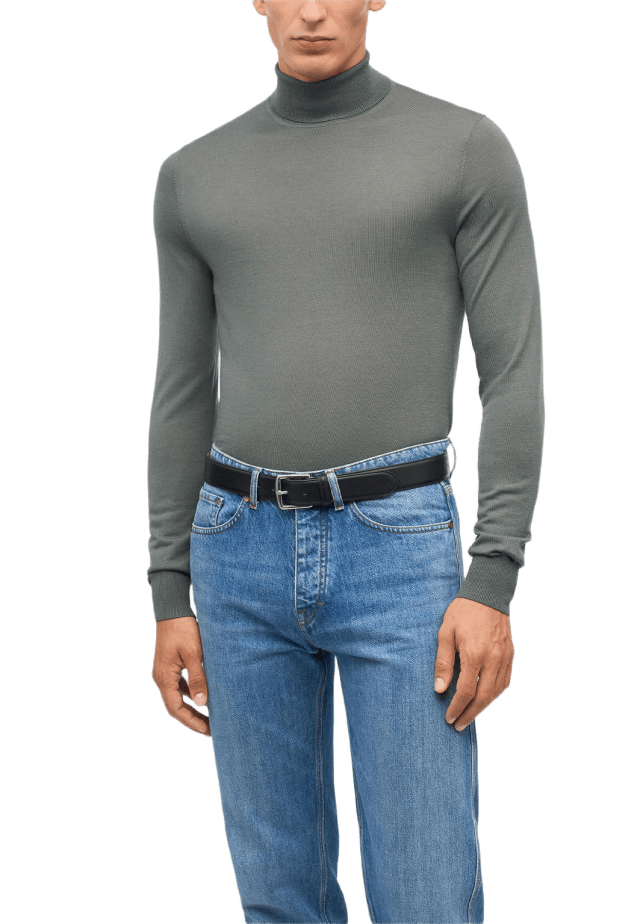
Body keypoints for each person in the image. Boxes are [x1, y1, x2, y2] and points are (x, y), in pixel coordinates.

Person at [146, 1, 545, 921]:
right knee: (277, 898)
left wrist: (492, 579)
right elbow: (180, 390)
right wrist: (170, 591)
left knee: (427, 895)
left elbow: (513, 374)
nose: (314, 11)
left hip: (399, 550)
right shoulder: (192, 174)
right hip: (235, 549)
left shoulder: (464, 149)